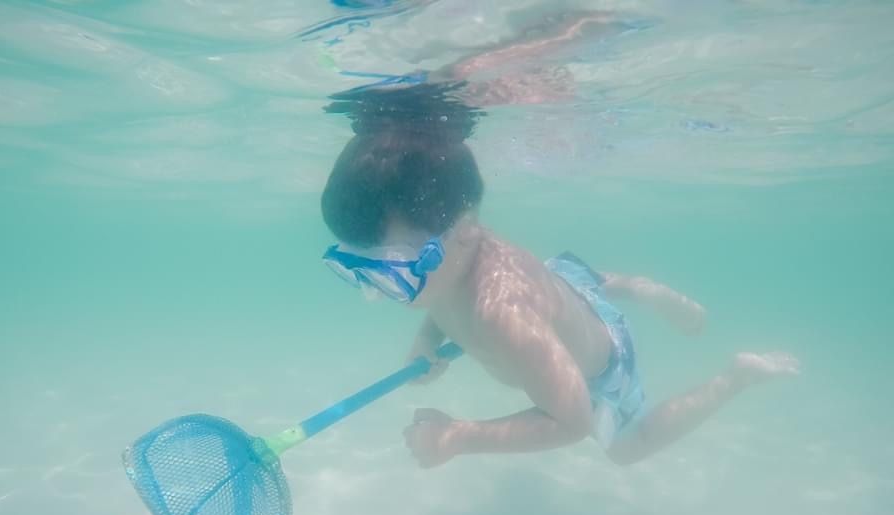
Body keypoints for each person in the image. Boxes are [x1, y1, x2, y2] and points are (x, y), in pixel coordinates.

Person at [319, 83, 799, 470]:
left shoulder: (502, 316)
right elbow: (443, 300)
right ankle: (631, 287)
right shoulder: (449, 263)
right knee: (566, 287)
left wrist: (459, 437)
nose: (376, 290)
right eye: (356, 268)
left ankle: (736, 377)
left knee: (625, 449)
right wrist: (428, 337)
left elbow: (572, 422)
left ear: (464, 232)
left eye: (394, 268)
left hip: (602, 363)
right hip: (554, 287)